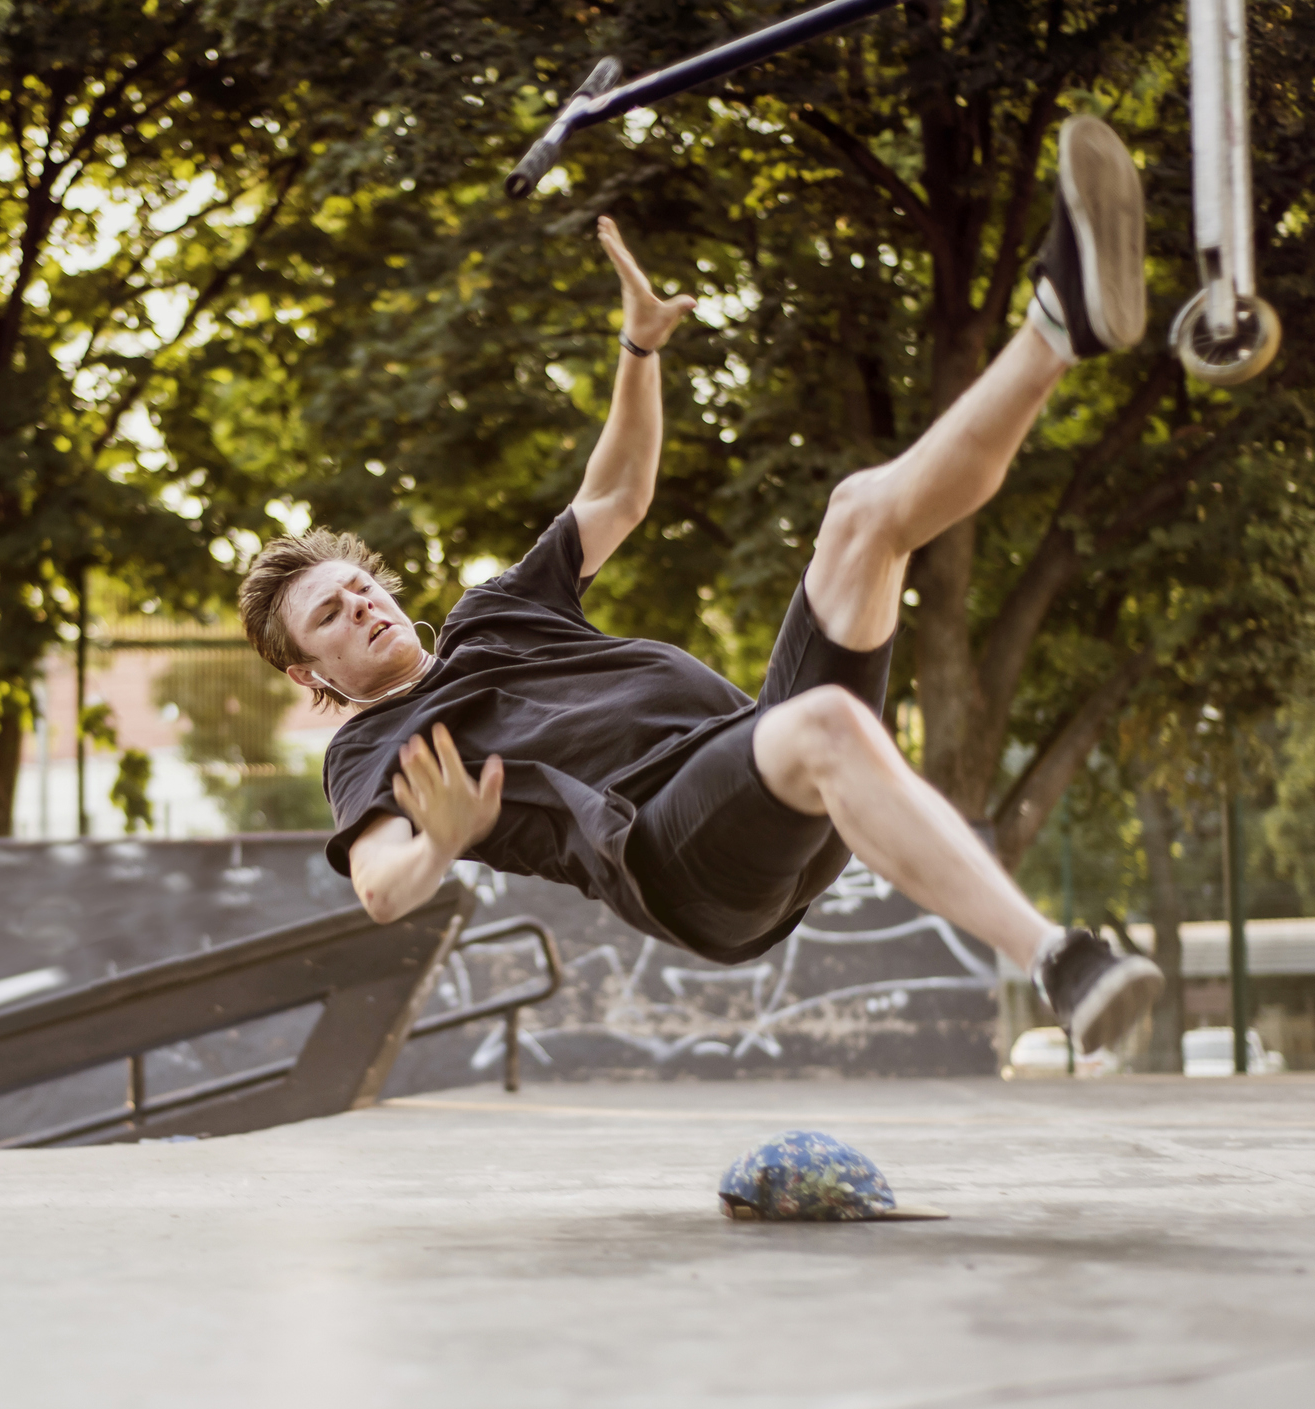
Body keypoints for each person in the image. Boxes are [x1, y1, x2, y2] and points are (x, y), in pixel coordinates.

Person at [238, 116, 1163, 1056]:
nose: (360, 605)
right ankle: (1060, 963)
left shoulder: (493, 612)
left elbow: (617, 492)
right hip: (672, 857)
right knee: (825, 724)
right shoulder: (369, 751)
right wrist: (437, 840)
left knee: (859, 516)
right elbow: (380, 887)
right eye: (330, 615)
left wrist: (638, 353)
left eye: (359, 587)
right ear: (310, 674)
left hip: (746, 759)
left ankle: (1058, 322)